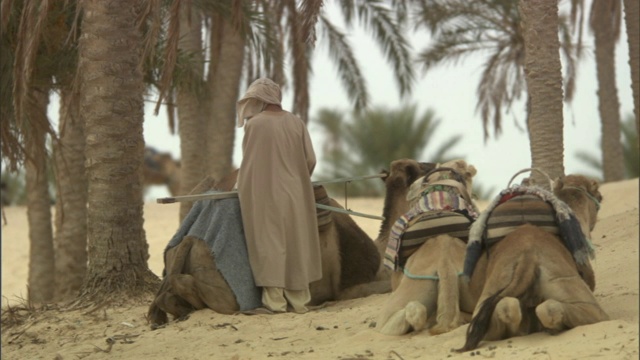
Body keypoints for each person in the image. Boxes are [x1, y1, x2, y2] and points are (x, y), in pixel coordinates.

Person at [236, 78, 322, 314]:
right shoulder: (296, 122)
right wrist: (297, 178)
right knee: (296, 242)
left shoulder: (255, 125)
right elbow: (310, 160)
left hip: (265, 194)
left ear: (261, 99)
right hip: (296, 193)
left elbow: (250, 163)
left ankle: (275, 303)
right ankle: (300, 302)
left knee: (269, 243)